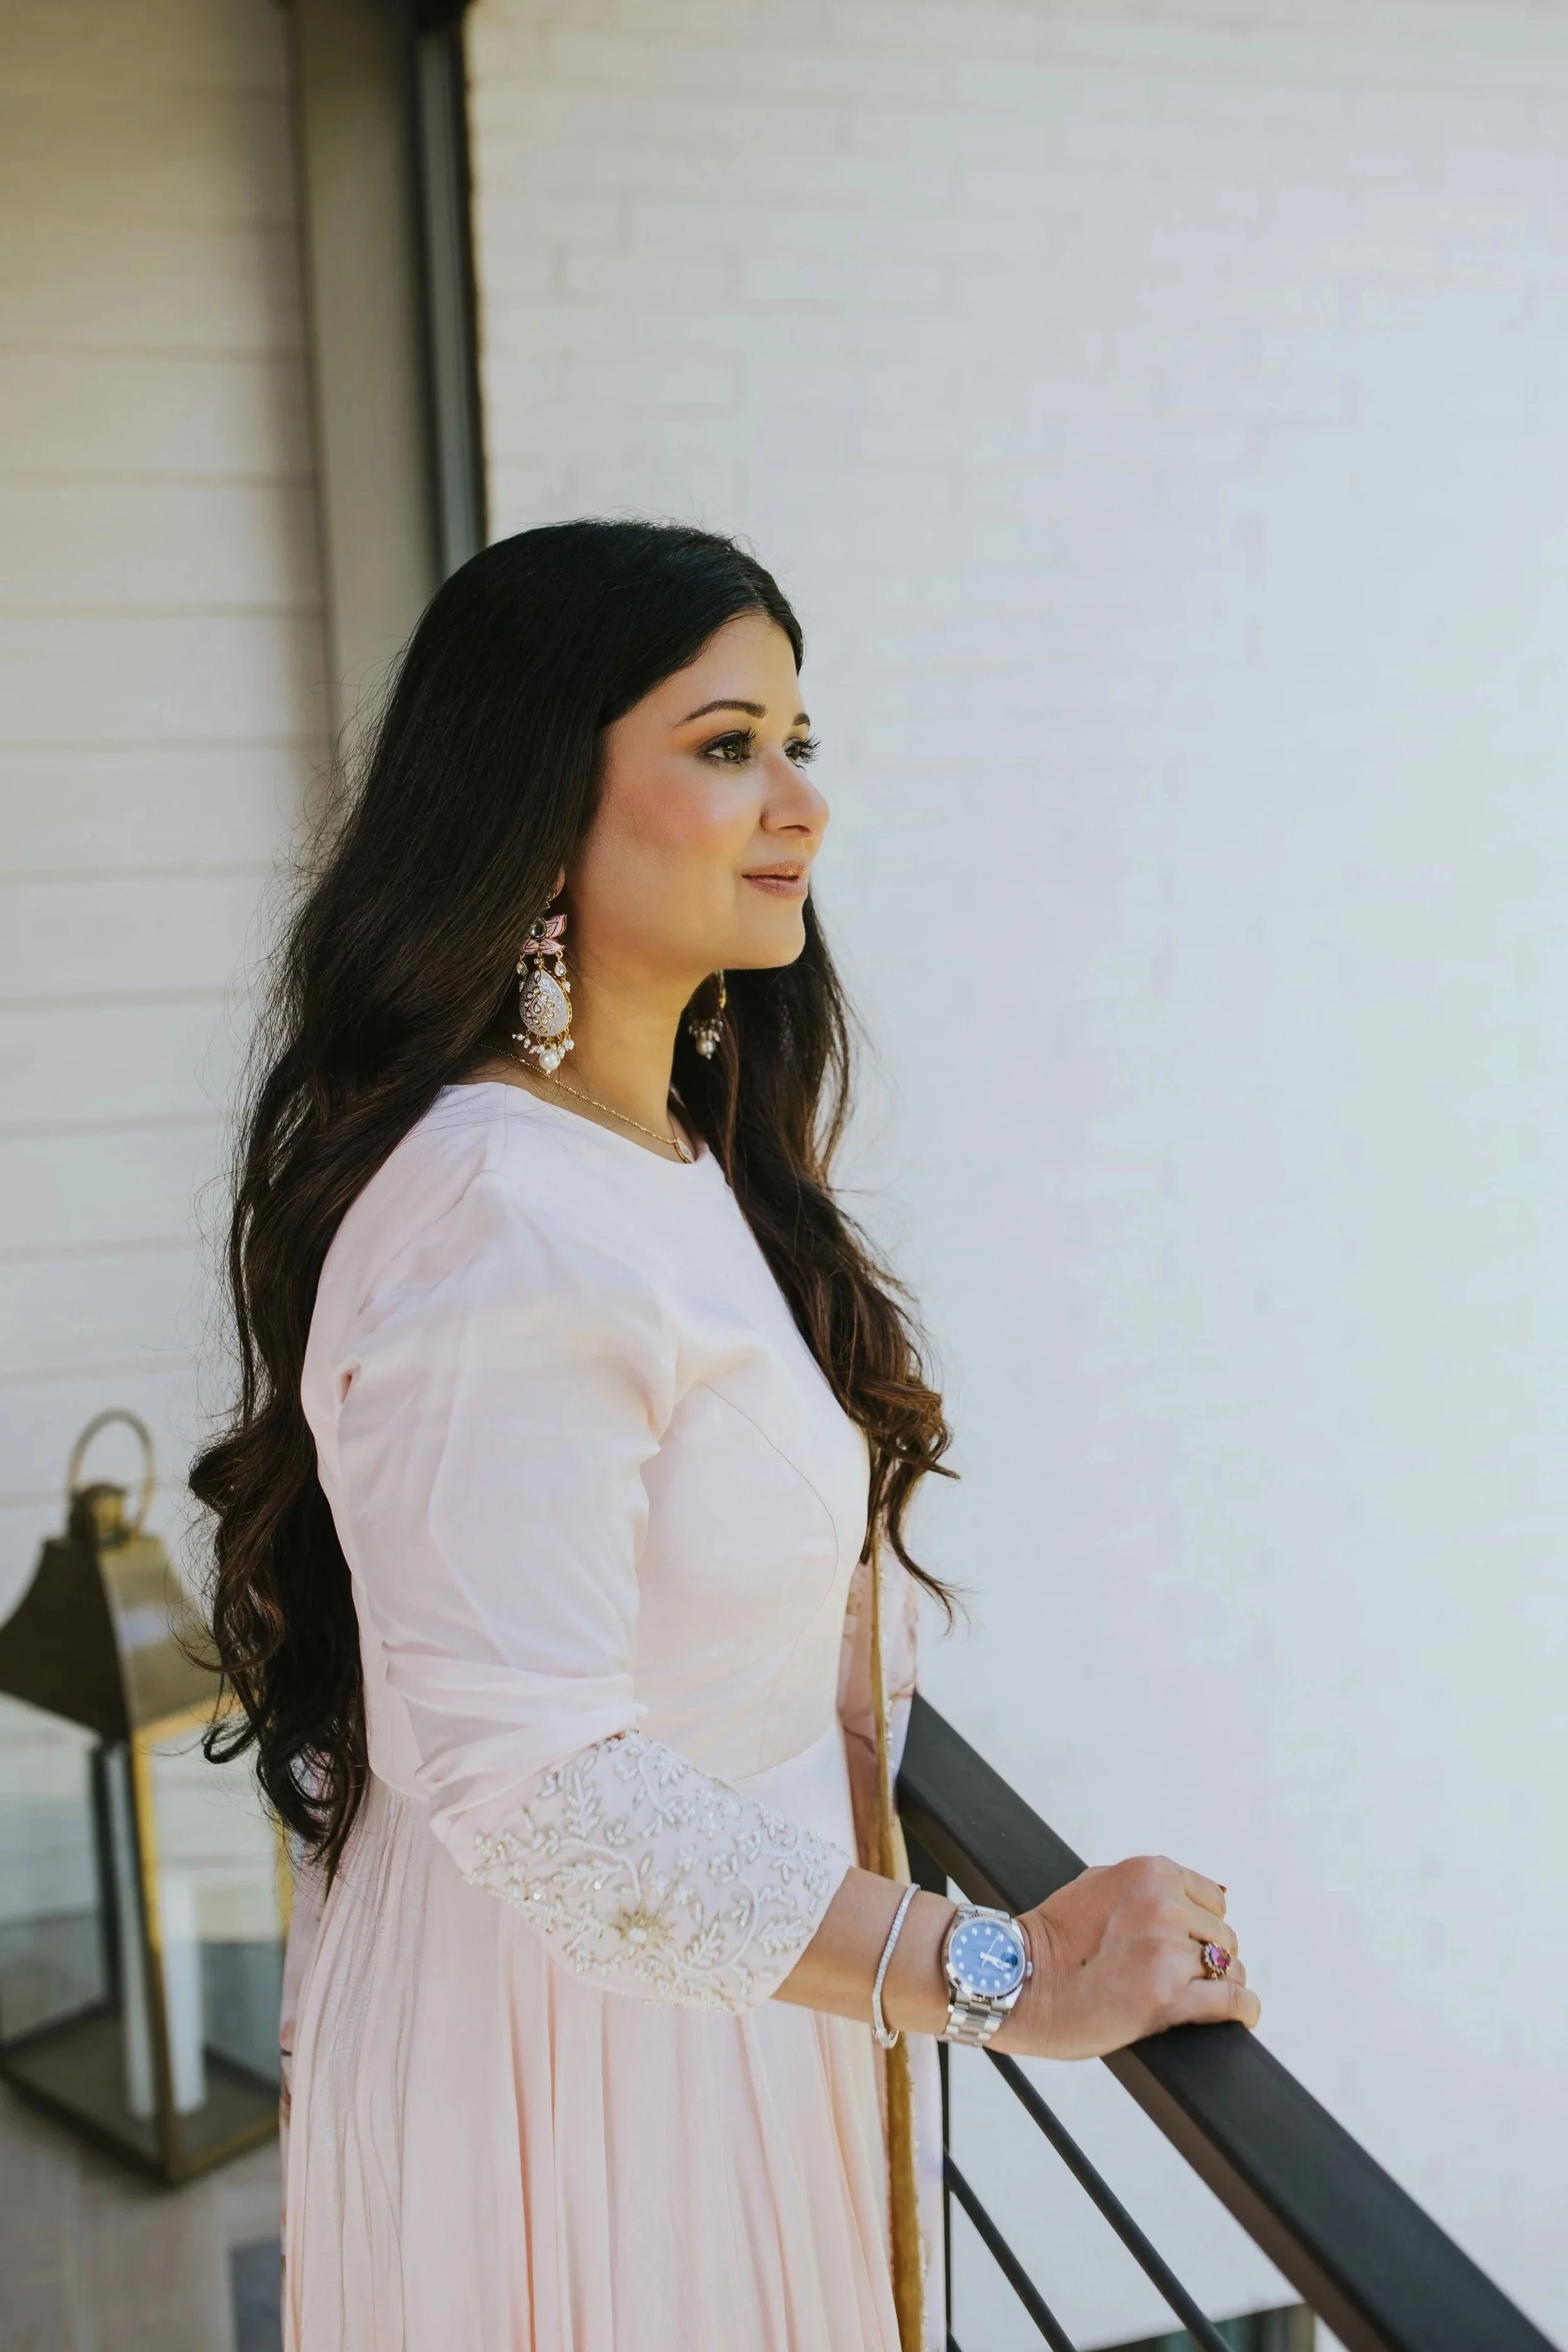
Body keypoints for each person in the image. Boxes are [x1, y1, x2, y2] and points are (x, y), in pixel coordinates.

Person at [193, 520, 1258, 2352]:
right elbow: (534, 1774)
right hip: (581, 2079)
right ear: (537, 799)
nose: (799, 803)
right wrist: (1006, 1973)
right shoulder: (499, 1213)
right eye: (723, 742)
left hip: (727, 2009)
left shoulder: (671, 1152)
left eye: (798, 741)